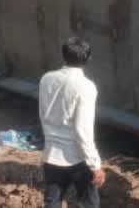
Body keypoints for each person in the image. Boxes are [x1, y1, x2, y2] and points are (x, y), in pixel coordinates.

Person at [38, 37, 103, 208]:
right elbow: (83, 130)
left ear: (63, 55)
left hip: (51, 155)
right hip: (77, 159)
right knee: (89, 202)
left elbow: (43, 113)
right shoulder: (86, 86)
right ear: (88, 59)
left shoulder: (46, 79)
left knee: (52, 202)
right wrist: (95, 165)